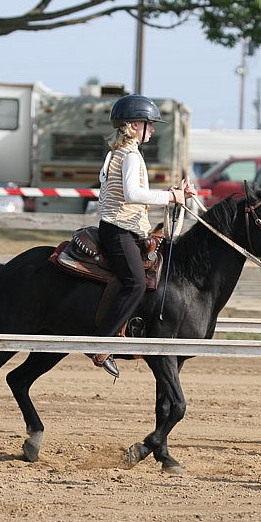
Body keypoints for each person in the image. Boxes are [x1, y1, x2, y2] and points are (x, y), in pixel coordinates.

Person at [89, 94, 195, 378]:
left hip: (121, 227)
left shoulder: (120, 151)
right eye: (150, 124)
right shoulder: (131, 155)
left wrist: (174, 194)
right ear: (136, 125)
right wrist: (171, 196)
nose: (153, 129)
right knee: (135, 283)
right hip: (119, 229)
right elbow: (132, 194)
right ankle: (102, 343)